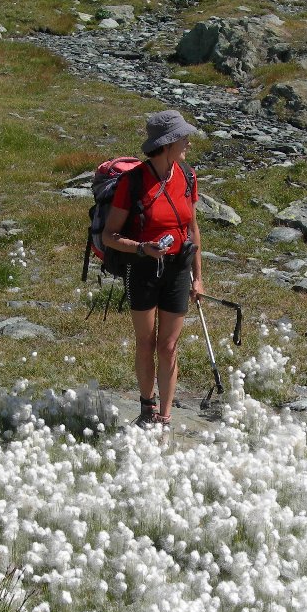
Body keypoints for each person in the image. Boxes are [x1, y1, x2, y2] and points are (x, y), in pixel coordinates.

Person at [102, 110, 204, 428]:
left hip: (177, 268)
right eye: (183, 137)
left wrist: (198, 278)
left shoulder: (187, 176)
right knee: (146, 341)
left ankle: (165, 416)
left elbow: (192, 229)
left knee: (169, 345)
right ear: (167, 143)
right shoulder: (133, 183)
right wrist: (141, 248)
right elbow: (110, 235)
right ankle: (147, 407)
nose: (188, 141)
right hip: (143, 267)